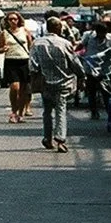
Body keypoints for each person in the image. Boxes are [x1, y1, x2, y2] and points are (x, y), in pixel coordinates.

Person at [31, 17, 80, 154]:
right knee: (60, 109)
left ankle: (47, 137)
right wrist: (82, 76)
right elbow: (74, 62)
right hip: (63, 82)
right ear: (59, 28)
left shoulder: (37, 43)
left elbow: (33, 65)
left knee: (47, 111)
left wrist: (35, 79)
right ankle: (60, 140)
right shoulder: (65, 43)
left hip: (45, 82)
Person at [0, 10, 34, 123]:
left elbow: (31, 47)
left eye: (15, 19)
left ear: (19, 20)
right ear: (7, 21)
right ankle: (14, 111)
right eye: (10, 19)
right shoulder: (4, 33)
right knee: (15, 87)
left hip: (24, 61)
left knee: (24, 89)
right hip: (11, 62)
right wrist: (3, 49)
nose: (13, 21)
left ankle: (20, 113)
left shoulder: (25, 31)